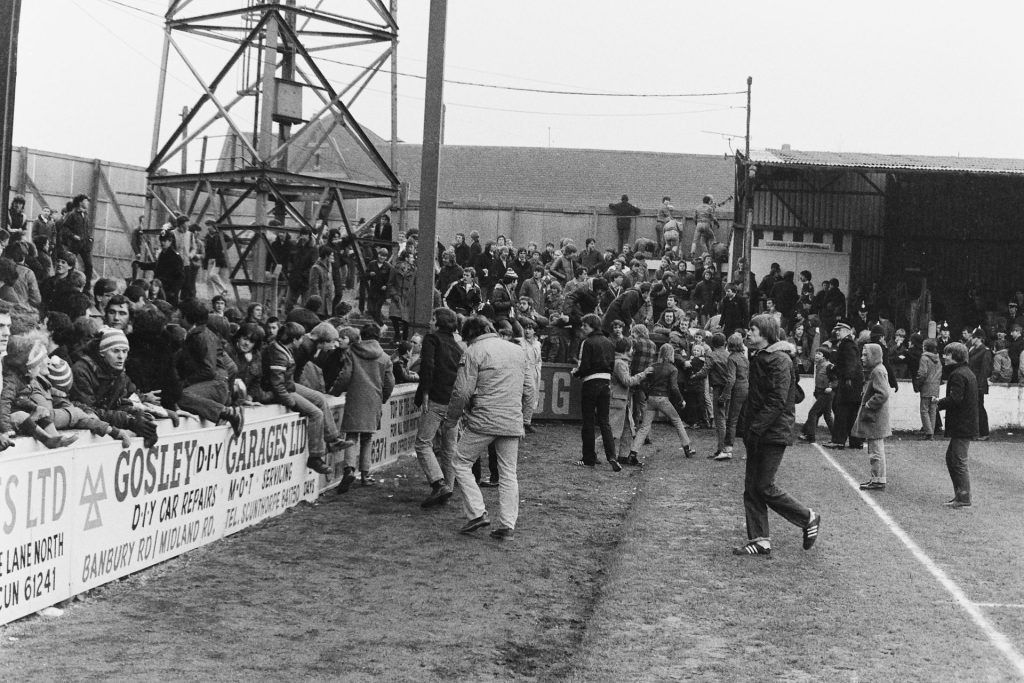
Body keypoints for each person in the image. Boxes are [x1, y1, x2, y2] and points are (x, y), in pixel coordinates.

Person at [734, 313, 821, 557]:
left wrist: (755, 428)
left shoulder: (779, 360)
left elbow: (778, 400)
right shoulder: (761, 357)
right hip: (760, 432)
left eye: (752, 330)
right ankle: (760, 540)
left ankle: (808, 517)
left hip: (772, 433)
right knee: (752, 487)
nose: (748, 334)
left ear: (765, 333)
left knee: (763, 485)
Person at [443, 315, 535, 539]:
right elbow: (530, 389)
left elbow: (462, 392)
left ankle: (476, 513)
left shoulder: (474, 351)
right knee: (508, 472)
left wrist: (451, 419)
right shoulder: (517, 351)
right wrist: (525, 419)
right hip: (511, 420)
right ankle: (507, 524)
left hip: (484, 419)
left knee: (460, 462)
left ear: (470, 335)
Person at [335, 322, 395, 491]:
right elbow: (390, 383)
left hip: (355, 398)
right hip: (373, 400)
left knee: (351, 436)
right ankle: (365, 475)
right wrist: (382, 398)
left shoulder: (352, 353)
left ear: (362, 335)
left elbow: (345, 376)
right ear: (378, 337)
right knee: (367, 438)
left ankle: (349, 470)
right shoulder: (384, 357)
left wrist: (335, 391)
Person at [413, 308, 463, 508]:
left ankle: (438, 482)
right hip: (454, 402)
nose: (429, 322)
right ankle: (448, 487)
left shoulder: (432, 339)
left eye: (433, 318)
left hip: (436, 398)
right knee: (449, 447)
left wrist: (425, 392)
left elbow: (428, 366)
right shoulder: (457, 346)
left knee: (422, 443)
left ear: (439, 322)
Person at [628, 343, 695, 462]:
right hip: (663, 399)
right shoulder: (673, 369)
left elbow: (642, 382)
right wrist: (681, 400)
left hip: (651, 399)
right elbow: (674, 387)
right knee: (677, 422)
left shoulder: (652, 366)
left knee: (644, 427)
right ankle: (687, 448)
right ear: (671, 354)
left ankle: (633, 453)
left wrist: (648, 393)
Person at [571, 314, 620, 471]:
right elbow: (612, 365)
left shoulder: (587, 342)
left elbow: (584, 367)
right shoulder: (609, 343)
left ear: (591, 326)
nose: (583, 329)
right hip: (606, 383)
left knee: (588, 422)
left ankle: (589, 458)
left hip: (590, 383)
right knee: (605, 422)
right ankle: (612, 456)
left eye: (585, 326)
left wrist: (576, 373)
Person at [935, 342, 978, 507]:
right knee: (952, 458)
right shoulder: (966, 372)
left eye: (948, 354)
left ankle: (964, 496)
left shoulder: (958, 374)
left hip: (962, 425)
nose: (944, 356)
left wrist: (938, 403)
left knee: (958, 460)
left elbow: (956, 399)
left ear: (956, 357)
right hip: (966, 424)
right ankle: (960, 495)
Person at [852, 343, 892, 491]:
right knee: (875, 448)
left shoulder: (877, 371)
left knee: (875, 449)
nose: (862, 358)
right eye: (862, 354)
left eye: (865, 355)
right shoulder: (877, 370)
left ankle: (878, 479)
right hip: (875, 417)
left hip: (875, 417)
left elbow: (883, 393)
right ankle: (877, 478)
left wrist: (869, 405)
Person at [823, 321, 863, 450]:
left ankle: (838, 440)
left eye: (839, 329)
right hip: (853, 384)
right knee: (851, 413)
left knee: (841, 411)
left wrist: (847, 379)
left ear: (847, 331)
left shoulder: (847, 344)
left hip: (848, 384)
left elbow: (851, 363)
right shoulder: (850, 344)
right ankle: (856, 442)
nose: (837, 332)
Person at [706, 332, 734, 459]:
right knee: (726, 418)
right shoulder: (730, 355)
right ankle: (725, 447)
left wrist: (694, 377)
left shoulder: (712, 355)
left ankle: (721, 448)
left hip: (718, 388)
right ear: (724, 343)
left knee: (720, 419)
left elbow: (705, 371)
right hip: (729, 388)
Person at [799, 343, 835, 443]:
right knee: (826, 415)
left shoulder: (829, 366)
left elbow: (836, 379)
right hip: (820, 393)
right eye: (816, 353)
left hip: (826, 393)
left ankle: (810, 437)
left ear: (824, 356)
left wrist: (830, 387)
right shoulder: (818, 365)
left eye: (819, 353)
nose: (816, 355)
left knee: (813, 413)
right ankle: (836, 436)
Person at [722, 332, 749, 458]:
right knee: (744, 420)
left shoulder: (732, 358)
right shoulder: (744, 357)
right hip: (746, 388)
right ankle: (749, 450)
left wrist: (725, 395)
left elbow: (731, 379)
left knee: (732, 420)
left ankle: (728, 449)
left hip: (737, 390)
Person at [60, 194, 94, 289]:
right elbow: (64, 228)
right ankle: (67, 285)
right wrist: (73, 236)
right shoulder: (72, 214)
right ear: (80, 202)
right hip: (74, 245)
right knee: (70, 265)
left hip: (85, 245)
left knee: (89, 266)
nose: (87, 203)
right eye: (86, 201)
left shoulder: (85, 214)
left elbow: (87, 229)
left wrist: (90, 238)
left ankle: (86, 287)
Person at [967, 328, 992, 441]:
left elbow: (985, 370)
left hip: (978, 384)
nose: (971, 339)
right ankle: (974, 431)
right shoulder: (972, 349)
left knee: (979, 408)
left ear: (979, 339)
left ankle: (984, 432)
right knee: (972, 407)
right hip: (971, 382)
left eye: (973, 337)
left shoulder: (985, 351)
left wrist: (980, 386)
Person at [915, 338, 942, 439]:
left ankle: (928, 432)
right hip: (935, 386)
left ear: (925, 347)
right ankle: (932, 431)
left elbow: (922, 373)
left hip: (926, 386)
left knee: (924, 410)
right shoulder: (938, 358)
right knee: (933, 410)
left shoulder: (924, 358)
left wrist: (918, 383)